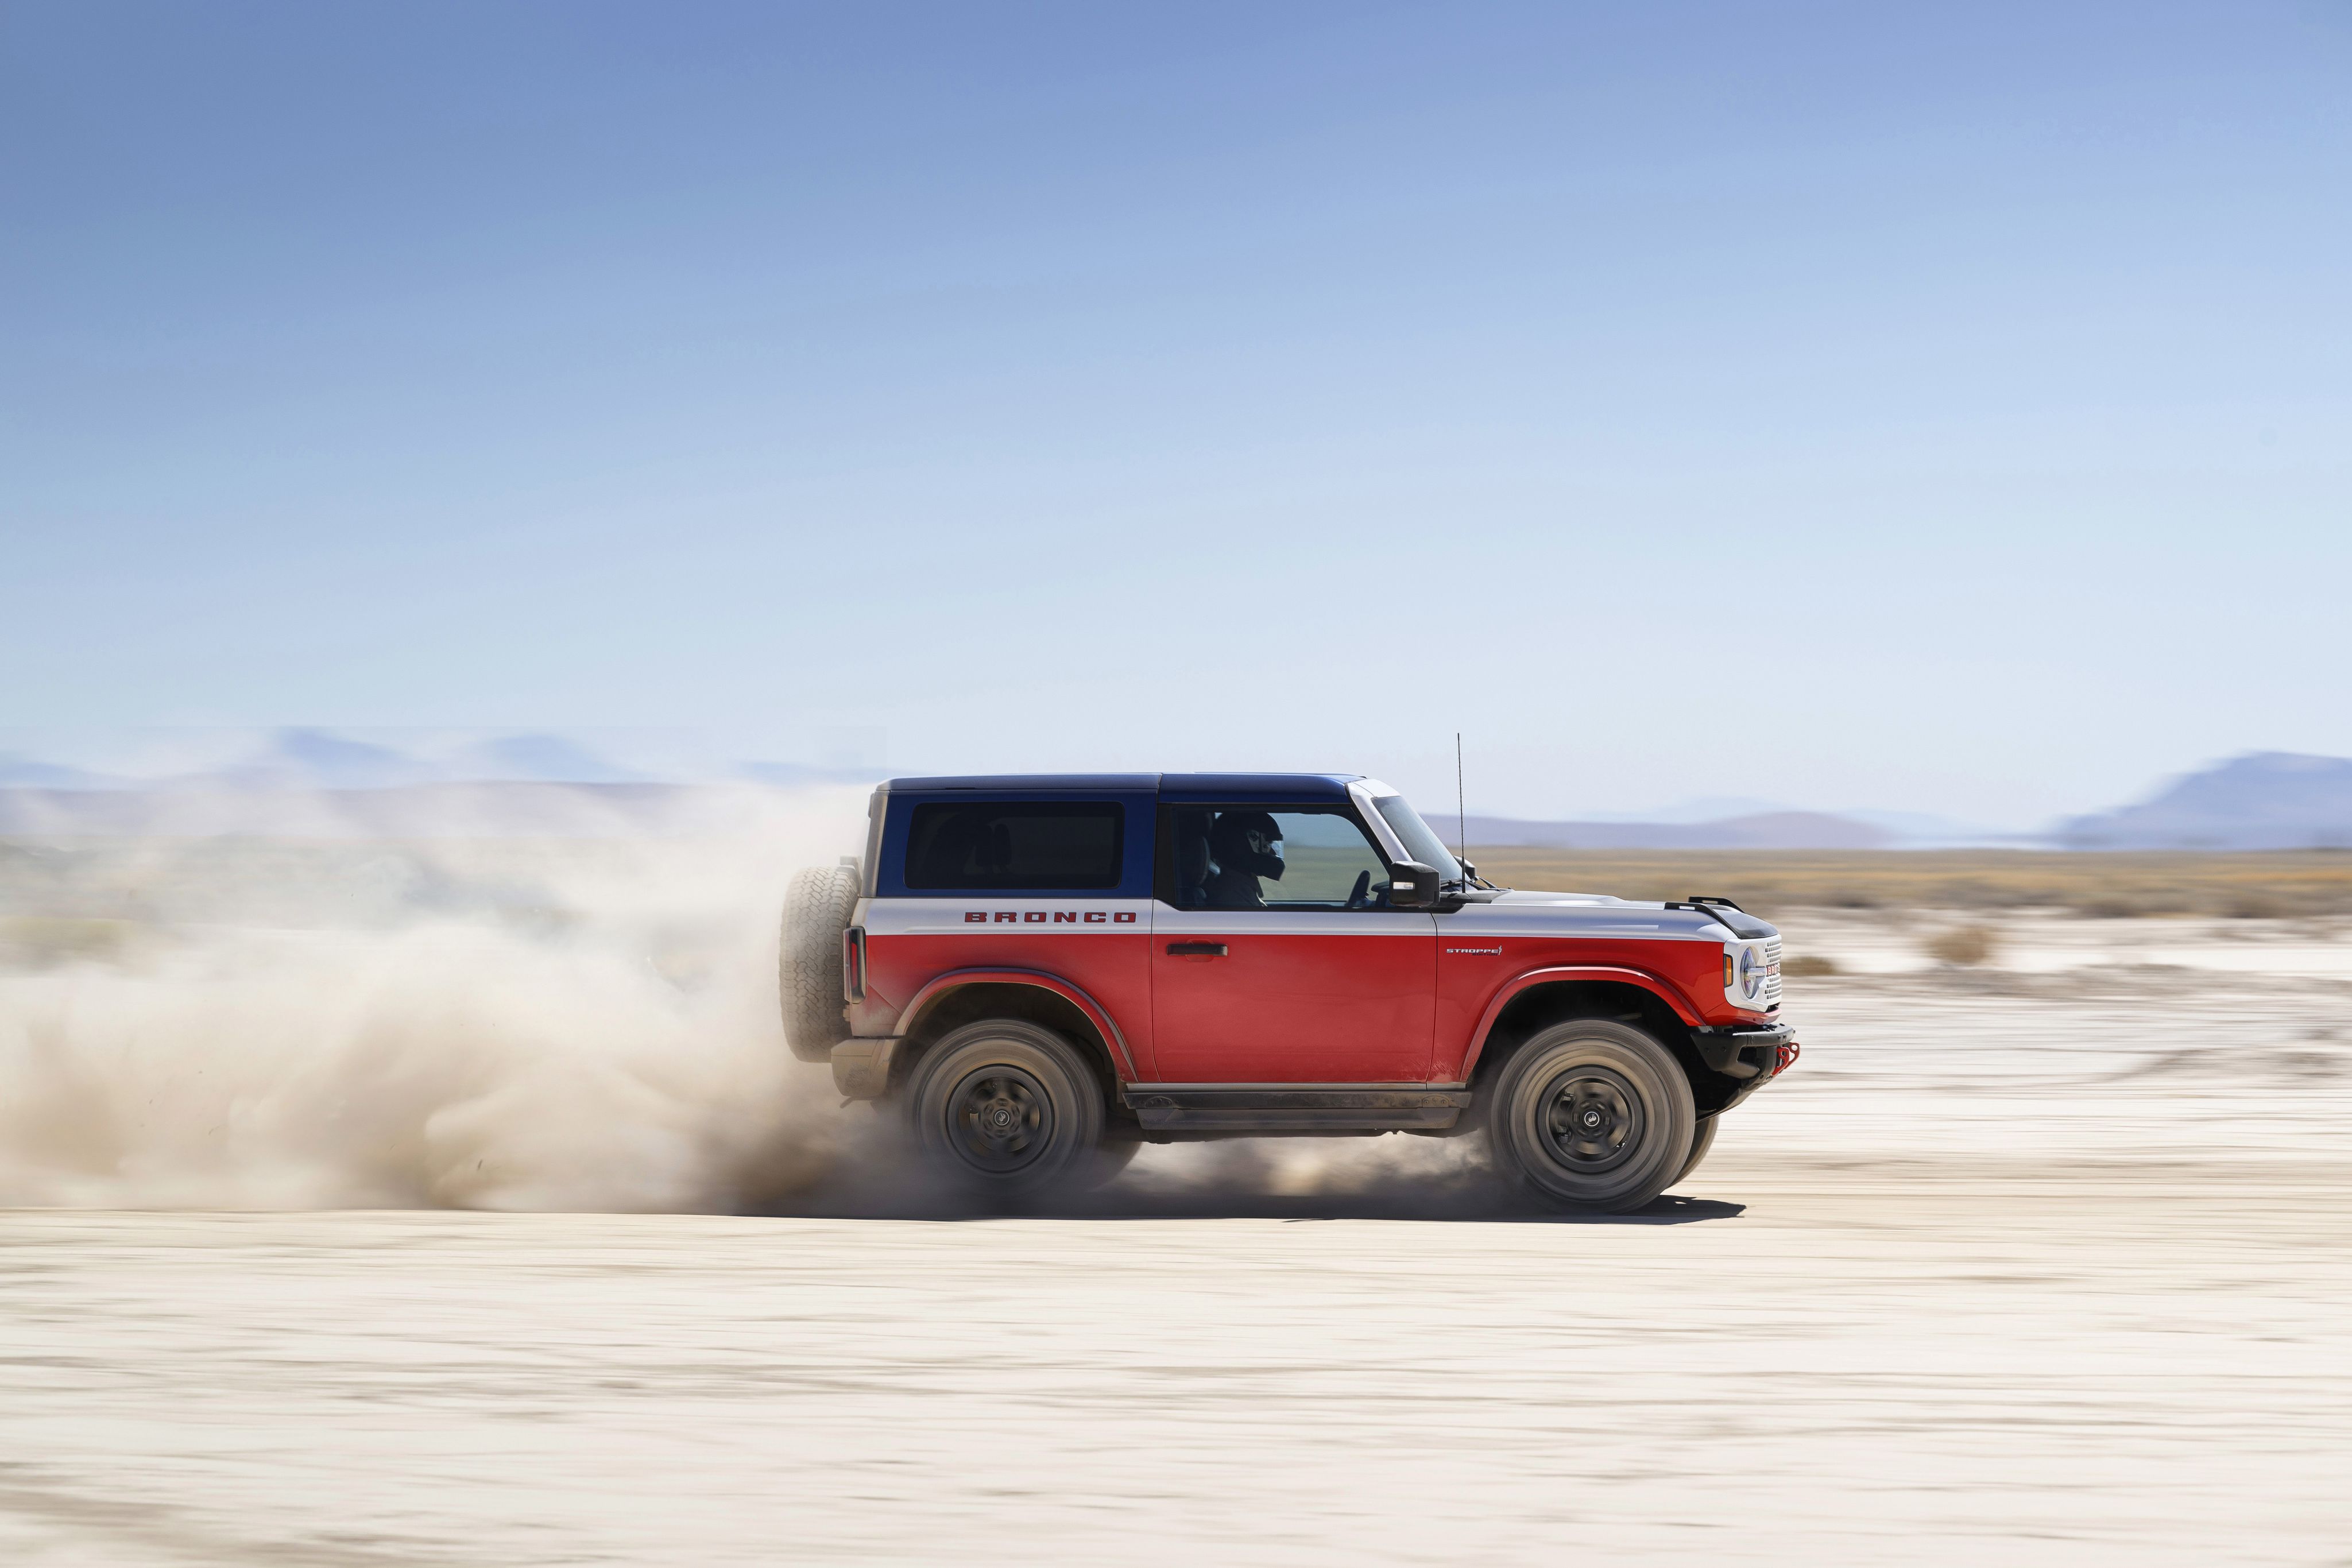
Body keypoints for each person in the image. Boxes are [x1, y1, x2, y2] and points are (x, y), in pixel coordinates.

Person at [1205, 810, 1285, 908]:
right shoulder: (1232, 897)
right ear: (1243, 845)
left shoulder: (1240, 888)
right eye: (1267, 845)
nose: (1273, 852)